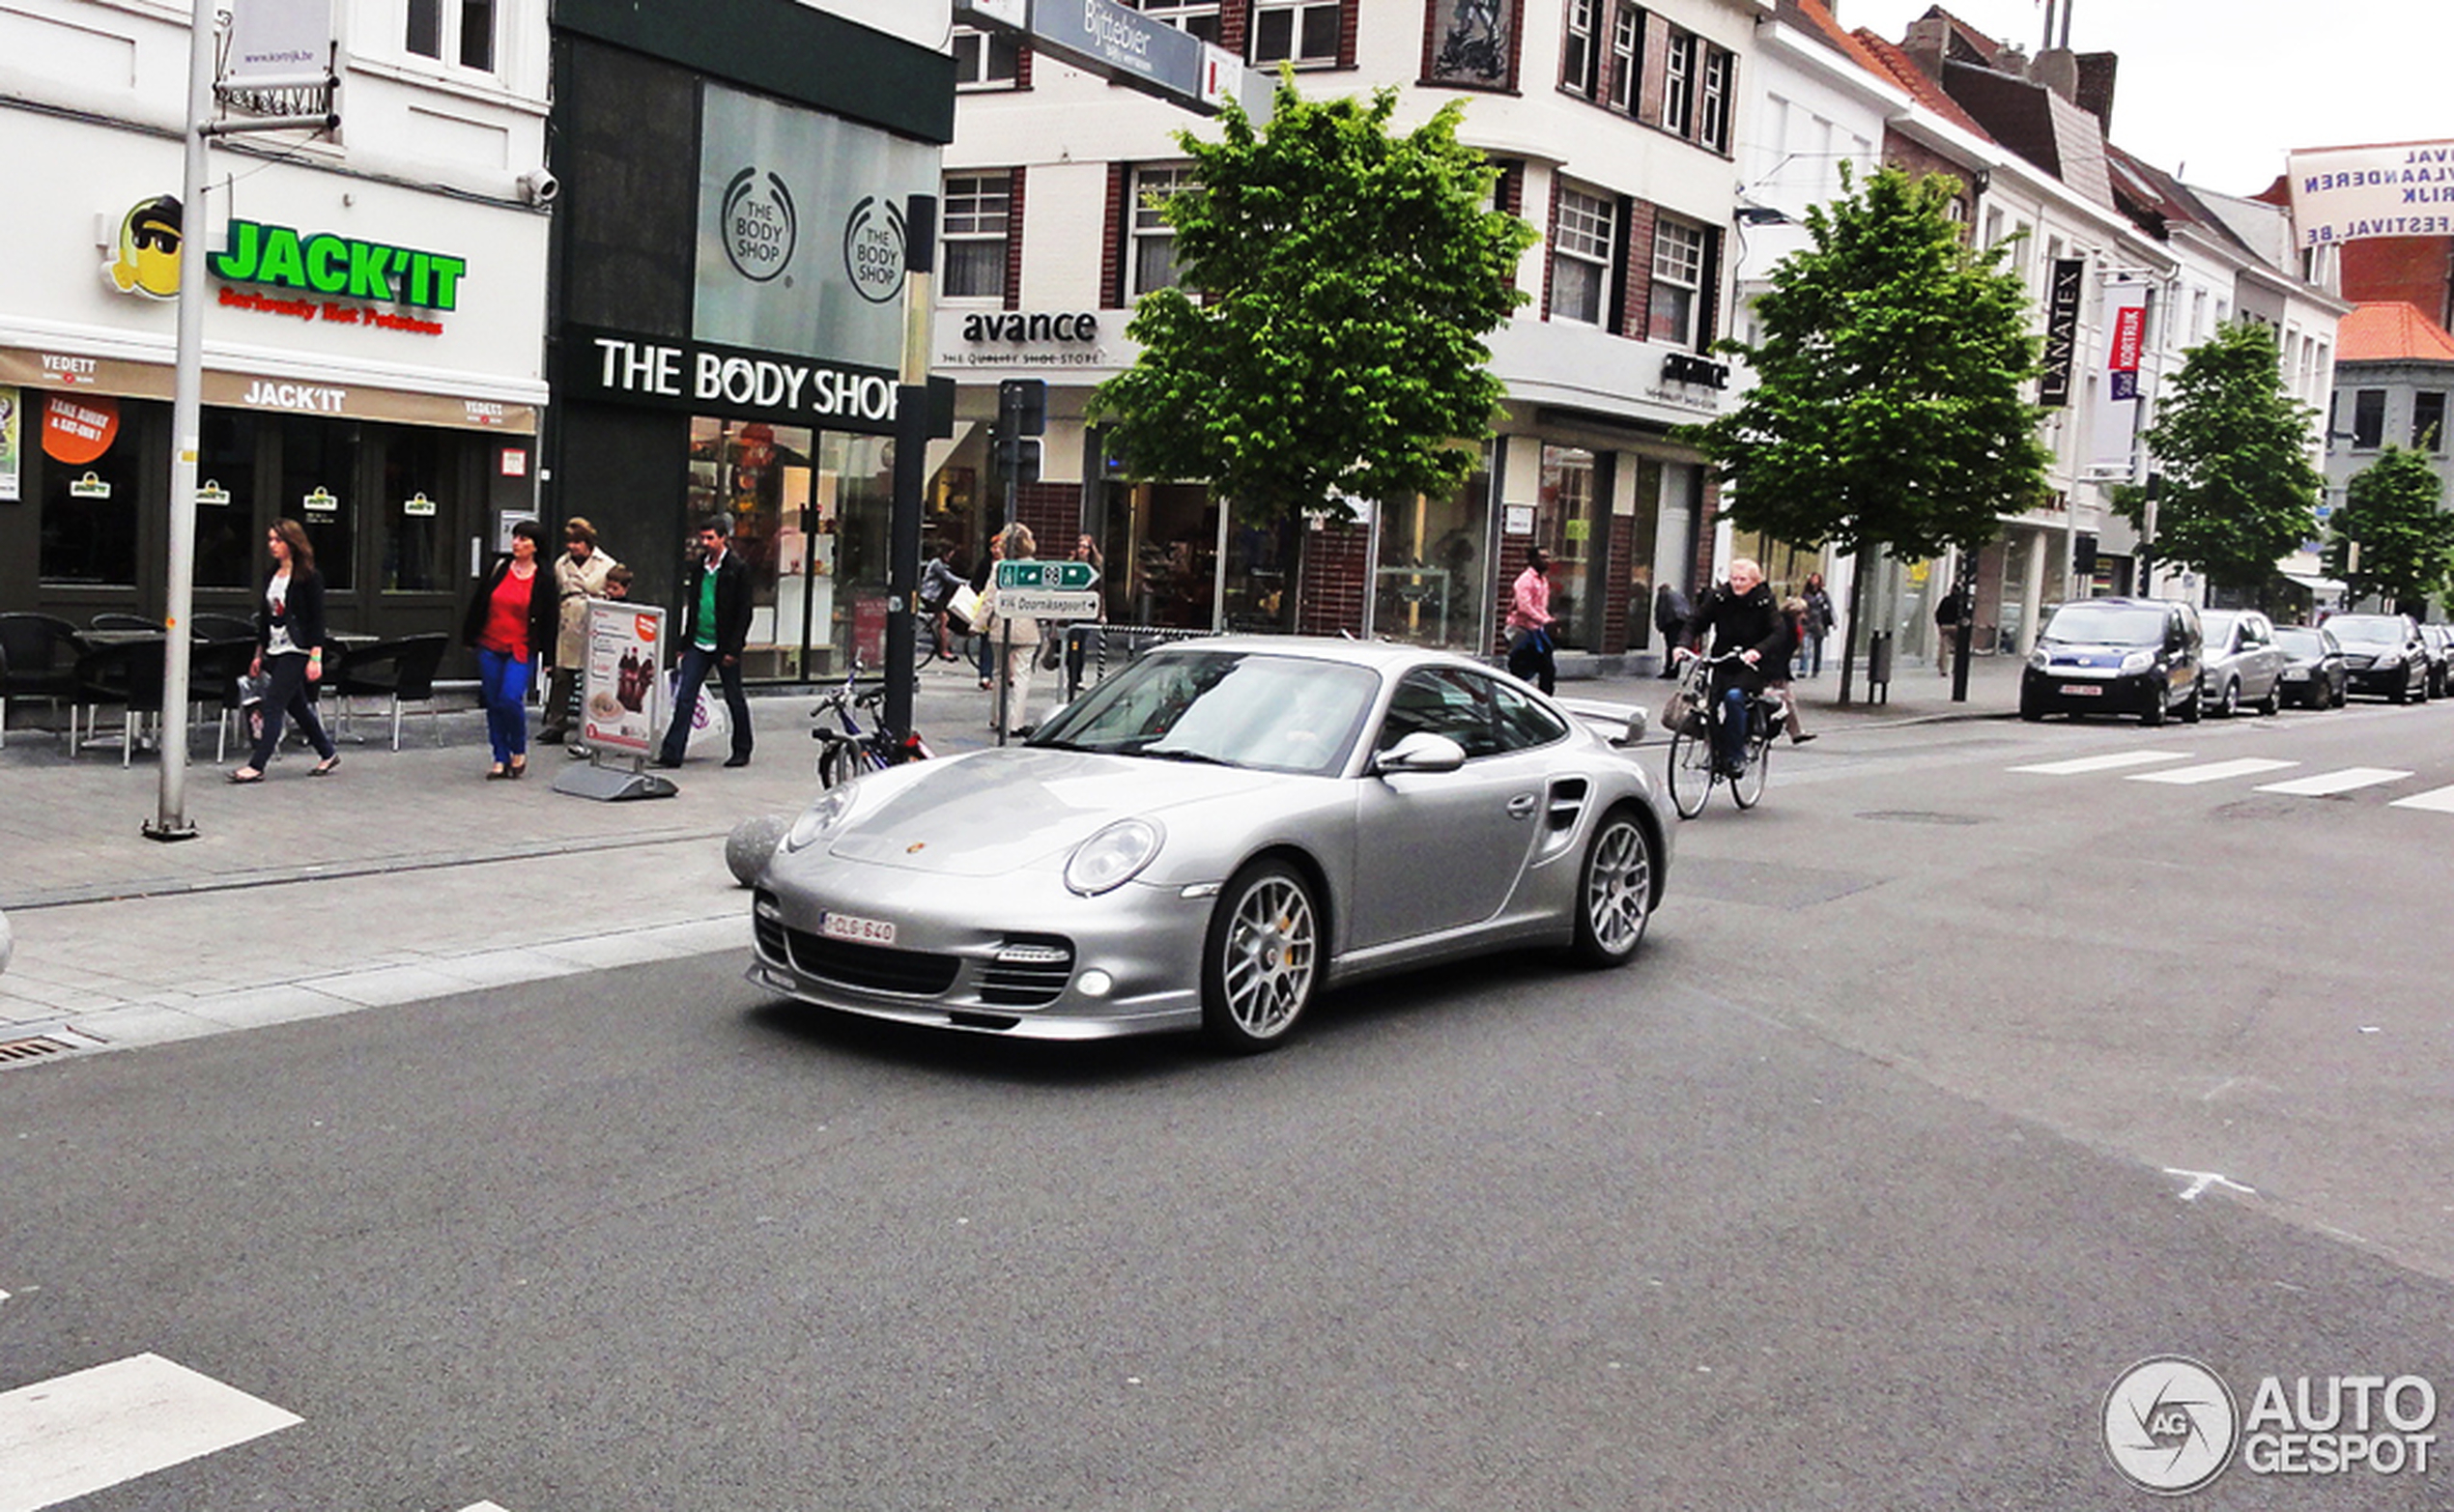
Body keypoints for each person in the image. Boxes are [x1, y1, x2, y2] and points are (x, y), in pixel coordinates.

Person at [227, 518, 341, 784]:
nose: (272, 546)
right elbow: (266, 618)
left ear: (292, 543)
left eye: (277, 540)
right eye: (269, 540)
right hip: (275, 648)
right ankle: (328, 752)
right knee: (298, 706)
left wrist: (315, 656)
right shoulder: (271, 575)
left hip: (297, 649)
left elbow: (317, 619)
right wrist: (259, 653)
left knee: (274, 704)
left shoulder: (309, 576)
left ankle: (257, 765)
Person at [460, 519, 557, 780]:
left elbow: (550, 619)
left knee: (510, 698)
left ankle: (518, 749)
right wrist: (469, 637)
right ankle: (499, 757)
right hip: (490, 644)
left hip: (521, 648)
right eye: (515, 537)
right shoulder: (499, 567)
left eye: (524, 539)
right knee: (493, 702)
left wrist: (549, 656)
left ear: (535, 546)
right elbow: (479, 601)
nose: (517, 543)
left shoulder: (544, 578)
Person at [656, 515, 755, 769]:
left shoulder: (737, 568)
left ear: (723, 538)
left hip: (724, 643)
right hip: (699, 642)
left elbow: (744, 611)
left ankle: (742, 749)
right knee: (685, 696)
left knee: (734, 696)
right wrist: (685, 641)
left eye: (711, 537)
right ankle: (672, 753)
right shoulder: (700, 566)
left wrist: (734, 648)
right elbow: (696, 605)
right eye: (703, 538)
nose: (706, 543)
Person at [1677, 556, 1787, 779]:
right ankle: (1716, 749)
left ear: (1754, 581)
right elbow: (1696, 621)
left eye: (1742, 579)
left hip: (1751, 665)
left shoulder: (1764, 601)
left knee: (1734, 697)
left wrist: (1758, 651)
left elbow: (1778, 632)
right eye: (1734, 578)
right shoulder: (1719, 597)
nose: (1737, 584)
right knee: (1708, 704)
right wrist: (1682, 645)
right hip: (1723, 659)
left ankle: (1736, 754)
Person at [538, 517, 618, 745]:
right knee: (562, 675)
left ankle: (596, 723)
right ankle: (557, 724)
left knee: (596, 677)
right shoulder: (561, 564)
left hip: (595, 622)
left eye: (578, 542)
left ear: (588, 543)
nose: (572, 547)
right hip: (568, 622)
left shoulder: (607, 564)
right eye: (570, 542)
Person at [973, 521, 1041, 736]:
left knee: (999, 672)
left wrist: (976, 624)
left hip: (1001, 625)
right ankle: (1015, 723)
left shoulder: (1000, 567)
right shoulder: (1034, 567)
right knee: (1021, 675)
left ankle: (997, 718)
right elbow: (1042, 598)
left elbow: (989, 599)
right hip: (1027, 627)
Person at [1503, 546, 1559, 693]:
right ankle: (1516, 695)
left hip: (1537, 630)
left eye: (1548, 557)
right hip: (1522, 630)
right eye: (1543, 557)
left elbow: (1541, 606)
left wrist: (1549, 620)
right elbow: (1524, 607)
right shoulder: (1525, 581)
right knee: (1521, 670)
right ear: (1533, 560)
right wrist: (1544, 620)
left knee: (1547, 668)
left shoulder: (1543, 581)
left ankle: (1545, 700)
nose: (1547, 561)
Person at [1769, 596, 1816, 745]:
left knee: (1786, 701)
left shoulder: (1790, 626)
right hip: (1774, 669)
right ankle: (1787, 733)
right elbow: (1779, 650)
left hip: (1779, 668)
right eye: (1801, 613)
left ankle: (1795, 732)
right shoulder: (1785, 627)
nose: (1804, 616)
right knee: (1782, 701)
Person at [919, 541, 966, 662]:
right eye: (951, 553)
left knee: (944, 618)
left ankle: (941, 638)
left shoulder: (940, 563)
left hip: (937, 596)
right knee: (944, 619)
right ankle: (944, 650)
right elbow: (948, 577)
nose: (951, 556)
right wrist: (966, 582)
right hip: (931, 596)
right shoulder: (936, 563)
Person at [1799, 572, 1836, 679]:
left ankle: (1816, 669)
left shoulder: (1823, 594)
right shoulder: (1805, 594)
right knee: (1805, 647)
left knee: (1818, 648)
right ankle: (1803, 669)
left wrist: (1833, 621)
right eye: (1813, 578)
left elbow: (1829, 607)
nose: (1814, 581)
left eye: (1816, 579)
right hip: (1807, 623)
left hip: (1819, 623)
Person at [1653, 580, 1691, 678]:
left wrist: (1660, 625)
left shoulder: (1664, 595)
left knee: (1670, 647)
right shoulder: (1678, 595)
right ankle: (1675, 669)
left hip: (1671, 622)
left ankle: (1669, 670)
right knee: (1676, 647)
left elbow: (1661, 610)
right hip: (1681, 621)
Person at [1935, 579, 1969, 677]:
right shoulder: (1961, 602)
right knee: (1959, 648)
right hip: (1956, 626)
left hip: (1945, 626)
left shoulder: (1945, 600)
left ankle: (1943, 669)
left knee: (1944, 648)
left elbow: (1938, 613)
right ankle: (1957, 668)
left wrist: (1940, 624)